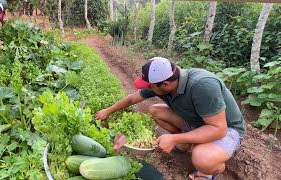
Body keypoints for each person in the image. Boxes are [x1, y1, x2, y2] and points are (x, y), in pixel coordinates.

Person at [95, 57, 246, 180]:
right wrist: (108, 111)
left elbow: (219, 130)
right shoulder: (164, 82)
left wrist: (174, 139)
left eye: (150, 86)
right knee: (154, 110)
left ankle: (213, 169)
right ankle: (188, 145)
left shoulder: (203, 86)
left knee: (202, 158)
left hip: (226, 130)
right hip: (197, 122)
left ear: (165, 84)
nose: (148, 89)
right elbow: (131, 99)